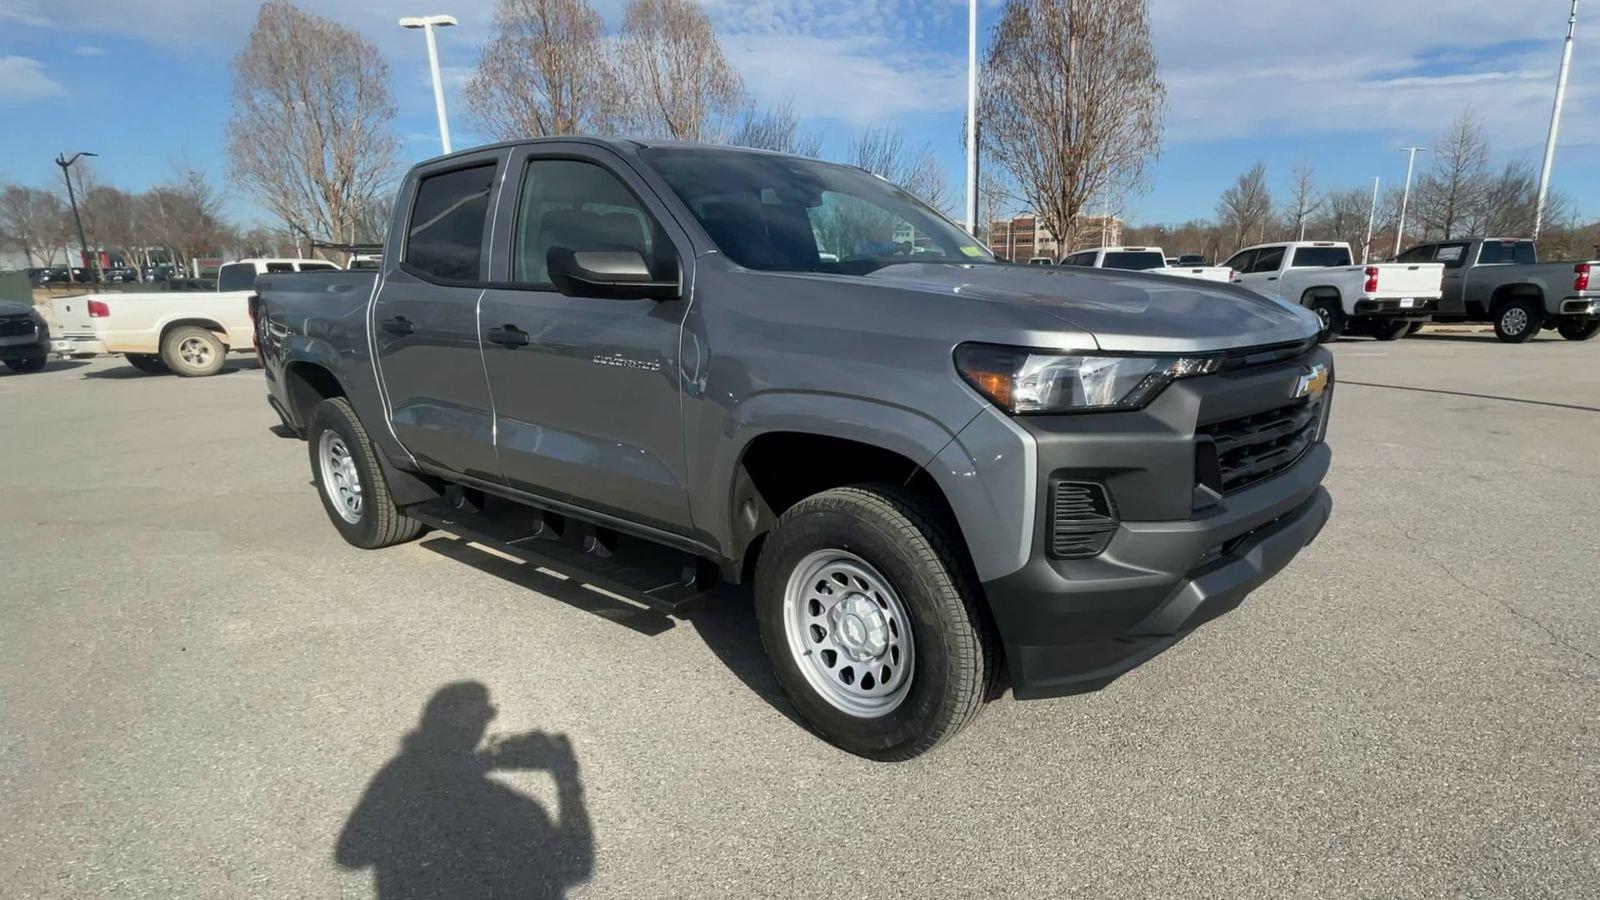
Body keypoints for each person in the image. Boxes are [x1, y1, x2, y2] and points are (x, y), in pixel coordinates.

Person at [335, 682, 594, 899]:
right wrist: (567, 780)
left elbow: (352, 853)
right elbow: (576, 864)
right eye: (482, 714)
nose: (485, 722)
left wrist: (484, 762)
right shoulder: (516, 808)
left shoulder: (398, 780)